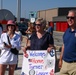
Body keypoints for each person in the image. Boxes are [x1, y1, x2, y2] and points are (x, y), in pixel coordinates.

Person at [58, 10, 76, 75]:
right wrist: (60, 59)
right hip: (65, 64)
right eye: (68, 17)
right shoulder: (66, 31)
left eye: (72, 18)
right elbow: (64, 45)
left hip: (74, 66)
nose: (69, 19)